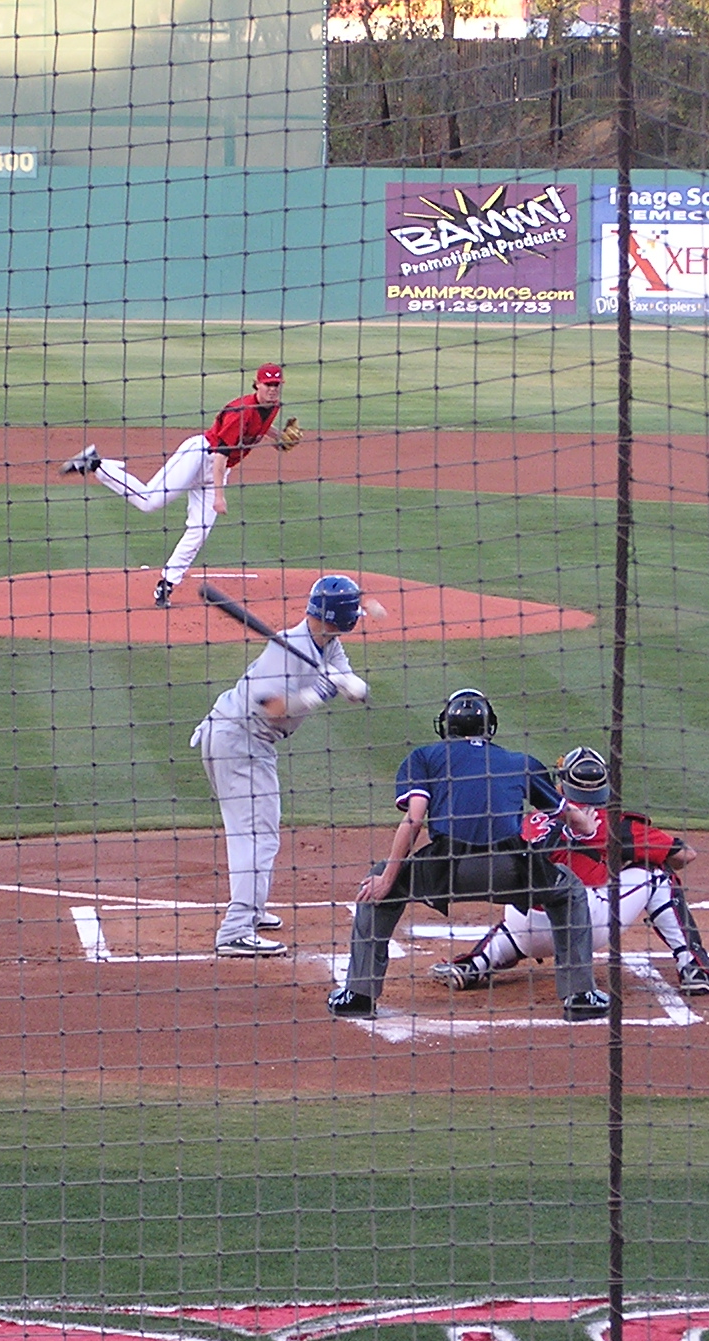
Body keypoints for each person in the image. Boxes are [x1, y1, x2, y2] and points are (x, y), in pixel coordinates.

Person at [327, 689, 608, 1023]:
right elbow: (568, 815)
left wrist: (387, 878)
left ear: (446, 725)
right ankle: (580, 996)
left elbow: (414, 820)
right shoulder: (520, 761)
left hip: (446, 870)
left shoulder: (425, 757)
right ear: (490, 727)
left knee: (377, 888)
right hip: (511, 869)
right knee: (568, 892)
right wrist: (585, 823)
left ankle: (358, 996)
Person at [430, 746, 709, 997]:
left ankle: (476, 964)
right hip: (583, 929)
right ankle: (694, 967)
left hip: (524, 926)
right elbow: (685, 855)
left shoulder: (534, 818)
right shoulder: (617, 825)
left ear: (561, 787)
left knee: (530, 903)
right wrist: (622, 855)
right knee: (658, 874)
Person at [195, 575, 370, 958]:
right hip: (238, 739)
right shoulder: (287, 649)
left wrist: (350, 685)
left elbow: (346, 676)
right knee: (253, 834)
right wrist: (318, 693)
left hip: (250, 742)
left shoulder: (328, 644)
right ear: (339, 614)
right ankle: (236, 929)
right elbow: (270, 706)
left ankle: (252, 910)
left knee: (262, 830)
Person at [61, 365, 303, 608]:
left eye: (276, 385)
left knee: (199, 531)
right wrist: (219, 497)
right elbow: (220, 457)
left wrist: (278, 437)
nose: (272, 389)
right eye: (268, 385)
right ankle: (96, 465)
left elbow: (258, 428)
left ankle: (166, 584)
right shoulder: (240, 411)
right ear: (257, 384)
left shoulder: (272, 407)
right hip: (198, 457)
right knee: (149, 501)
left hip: (216, 471)